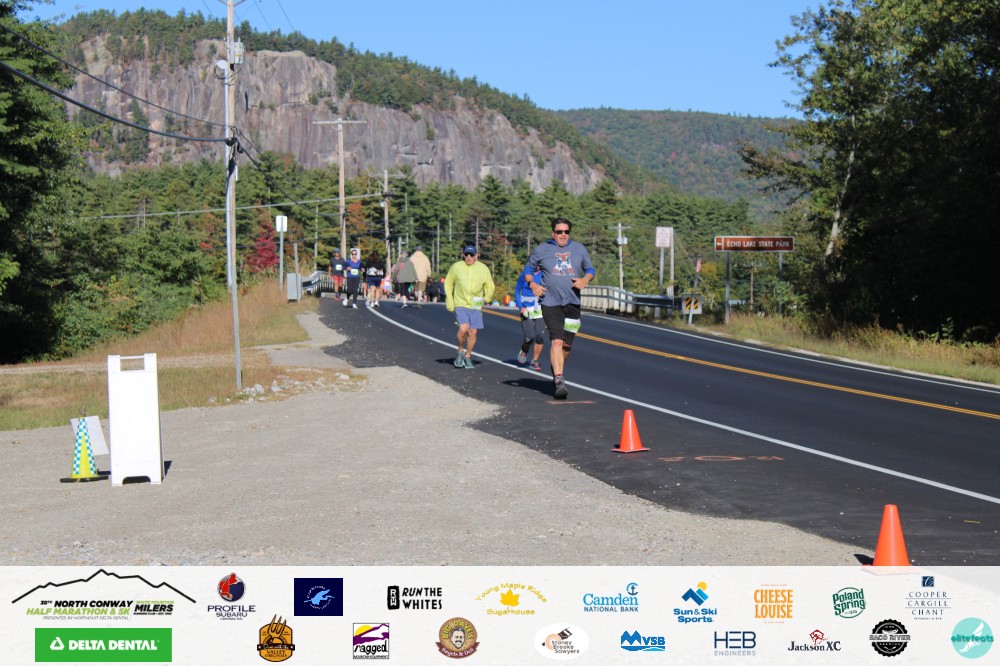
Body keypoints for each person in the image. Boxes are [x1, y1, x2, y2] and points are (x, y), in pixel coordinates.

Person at [521, 218, 595, 399]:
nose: (563, 235)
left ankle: (557, 368)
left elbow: (590, 269)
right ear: (552, 233)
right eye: (559, 231)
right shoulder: (542, 249)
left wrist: (585, 279)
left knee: (567, 344)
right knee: (556, 341)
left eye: (566, 232)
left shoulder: (579, 249)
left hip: (573, 302)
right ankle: (559, 379)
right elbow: (528, 271)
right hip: (550, 302)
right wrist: (532, 284)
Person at [445, 245, 495, 370]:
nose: (468, 257)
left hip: (475, 304)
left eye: (471, 255)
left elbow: (490, 286)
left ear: (476, 256)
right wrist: (450, 300)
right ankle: (460, 351)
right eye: (466, 254)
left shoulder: (483, 268)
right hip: (460, 303)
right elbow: (448, 283)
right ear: (463, 255)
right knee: (463, 329)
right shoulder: (457, 267)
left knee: (473, 332)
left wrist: (487, 297)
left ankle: (467, 356)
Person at [514, 268, 546, 372]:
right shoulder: (524, 275)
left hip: (540, 308)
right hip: (526, 308)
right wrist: (521, 307)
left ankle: (534, 361)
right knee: (530, 337)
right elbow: (517, 291)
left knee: (540, 336)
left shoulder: (544, 274)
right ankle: (524, 350)